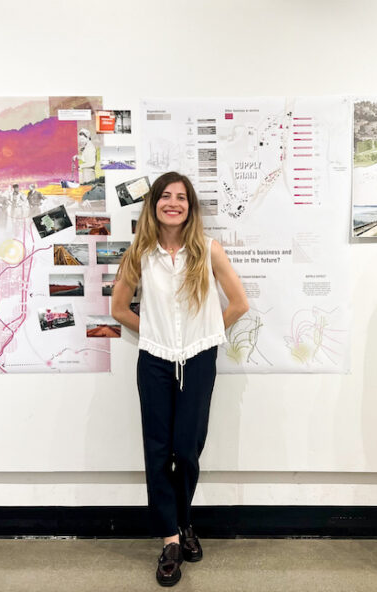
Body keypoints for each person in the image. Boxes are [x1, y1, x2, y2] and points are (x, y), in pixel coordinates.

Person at [111, 171, 248, 587]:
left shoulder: (208, 251)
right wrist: (153, 333)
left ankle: (184, 520)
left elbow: (239, 303)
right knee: (157, 450)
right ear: (153, 205)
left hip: (199, 359)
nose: (173, 203)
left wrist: (205, 335)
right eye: (165, 197)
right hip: (154, 362)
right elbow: (119, 309)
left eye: (181, 197)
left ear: (191, 207)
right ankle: (171, 539)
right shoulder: (140, 253)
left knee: (186, 449)